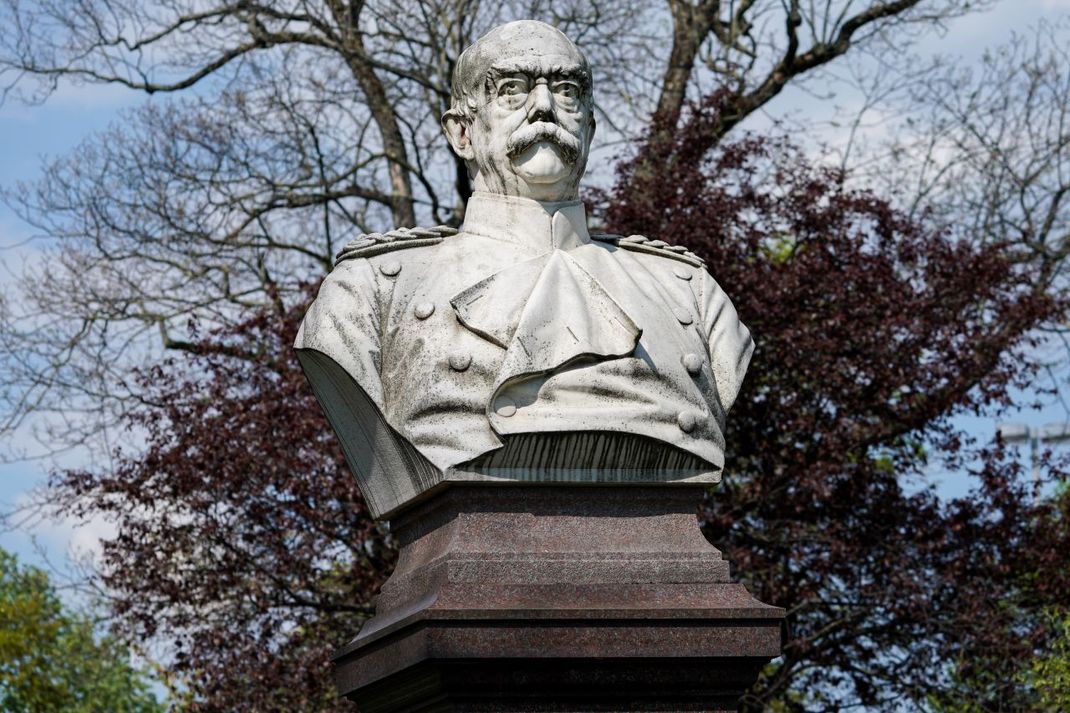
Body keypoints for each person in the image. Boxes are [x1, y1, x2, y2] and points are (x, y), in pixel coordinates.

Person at [295, 20, 753, 518]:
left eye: (566, 90)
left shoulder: (687, 289)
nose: (544, 107)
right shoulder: (372, 288)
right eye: (512, 89)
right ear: (462, 133)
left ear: (591, 128)